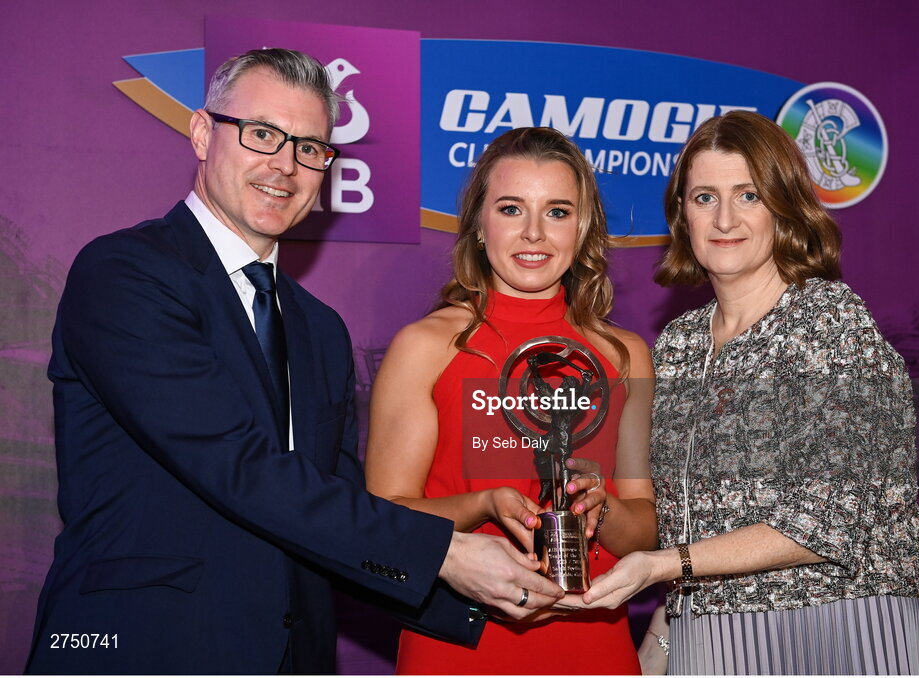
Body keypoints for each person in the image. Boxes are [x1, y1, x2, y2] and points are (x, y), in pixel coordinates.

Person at [25, 48, 564, 675]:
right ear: (202, 133)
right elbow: (238, 466)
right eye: (261, 135)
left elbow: (329, 506)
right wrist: (445, 554)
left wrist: (487, 600)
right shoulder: (126, 274)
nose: (285, 165)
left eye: (310, 147)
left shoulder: (319, 329)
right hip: (140, 647)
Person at [579, 111, 919, 674]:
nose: (723, 218)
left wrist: (661, 565)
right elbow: (688, 526)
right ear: (682, 215)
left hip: (832, 631)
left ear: (783, 207)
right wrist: (659, 644)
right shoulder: (677, 346)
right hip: (706, 638)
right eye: (703, 197)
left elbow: (826, 522)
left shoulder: (828, 322)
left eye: (747, 195)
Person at [364, 126, 658, 674]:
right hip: (462, 644)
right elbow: (386, 520)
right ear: (479, 224)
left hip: (593, 641)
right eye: (510, 208)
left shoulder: (624, 356)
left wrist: (603, 507)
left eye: (557, 212)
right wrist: (483, 503)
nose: (533, 234)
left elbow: (644, 522)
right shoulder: (427, 347)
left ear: (584, 226)